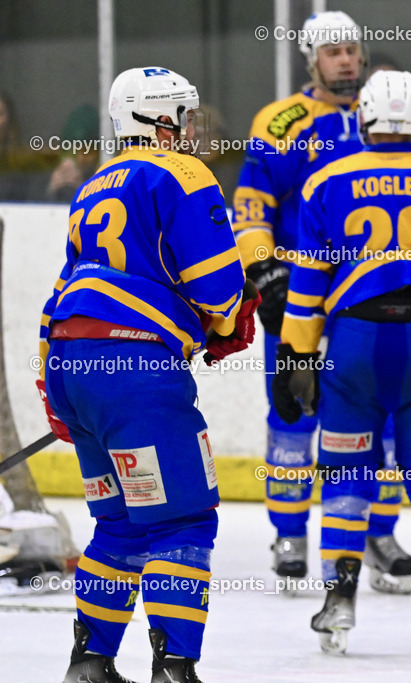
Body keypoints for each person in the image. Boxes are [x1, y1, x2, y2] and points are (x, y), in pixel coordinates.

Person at [38, 66, 259, 683]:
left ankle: (90, 665)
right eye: (184, 115)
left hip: (70, 363)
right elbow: (217, 282)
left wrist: (55, 386)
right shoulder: (183, 170)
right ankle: (173, 669)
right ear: (160, 120)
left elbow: (67, 288)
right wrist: (226, 320)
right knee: (181, 519)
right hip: (135, 371)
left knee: (119, 524)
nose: (192, 128)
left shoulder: (94, 184)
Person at [273, 69, 411, 654]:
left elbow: (307, 283)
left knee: (349, 475)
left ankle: (340, 602)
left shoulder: (325, 180)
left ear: (363, 120)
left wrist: (294, 354)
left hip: (354, 347)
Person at [233, 10, 411, 591]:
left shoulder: (386, 112)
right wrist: (264, 271)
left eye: (352, 49)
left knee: (383, 418)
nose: (346, 59)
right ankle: (289, 533)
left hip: (370, 295)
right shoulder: (284, 121)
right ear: (311, 59)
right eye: (333, 51)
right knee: (295, 412)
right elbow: (253, 202)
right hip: (302, 296)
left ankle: (377, 532)